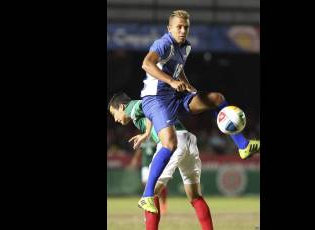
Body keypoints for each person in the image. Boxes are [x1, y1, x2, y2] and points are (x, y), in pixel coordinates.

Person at [139, 9, 260, 212]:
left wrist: (188, 85)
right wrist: (171, 81)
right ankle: (147, 195)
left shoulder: (185, 47)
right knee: (170, 143)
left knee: (216, 99)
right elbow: (146, 64)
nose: (183, 30)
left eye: (186, 26)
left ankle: (243, 145)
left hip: (175, 96)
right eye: (179, 26)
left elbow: (179, 69)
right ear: (169, 28)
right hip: (155, 98)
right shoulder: (164, 43)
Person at [108, 92, 214, 230]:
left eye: (113, 113)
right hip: (188, 139)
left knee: (150, 195)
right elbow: (153, 110)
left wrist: (147, 133)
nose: (115, 119)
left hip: (173, 141)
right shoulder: (138, 115)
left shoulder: (132, 107)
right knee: (195, 196)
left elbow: (148, 105)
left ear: (121, 107)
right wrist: (147, 132)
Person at [129, 138, 169, 215]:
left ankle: (163, 203)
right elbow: (139, 151)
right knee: (146, 184)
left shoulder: (156, 137)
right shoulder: (143, 138)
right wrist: (135, 159)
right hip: (145, 165)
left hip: (156, 165)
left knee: (160, 184)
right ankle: (150, 203)